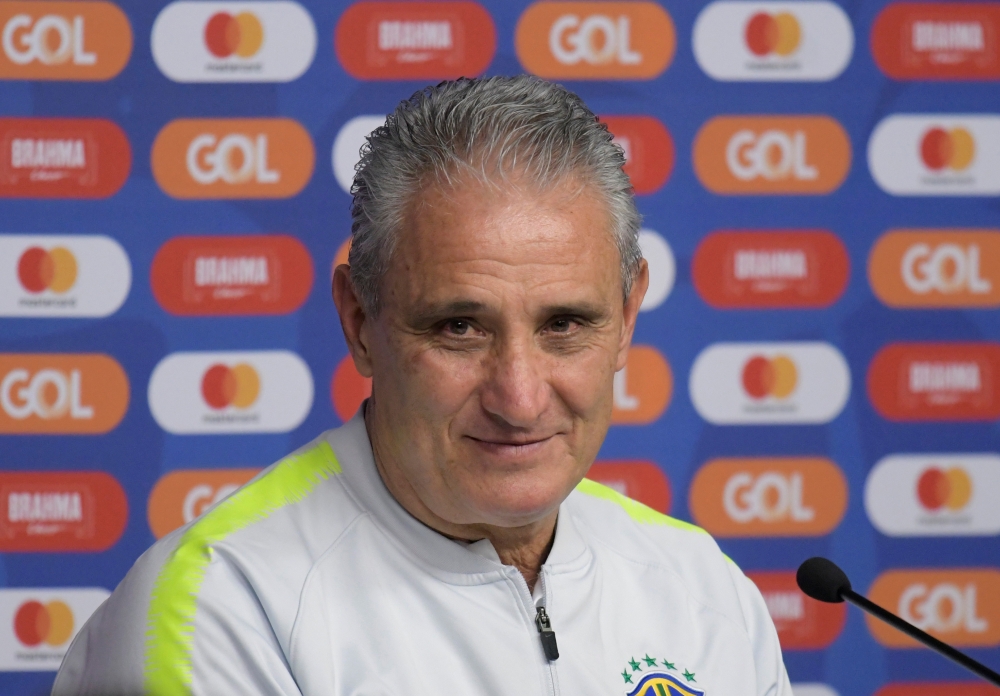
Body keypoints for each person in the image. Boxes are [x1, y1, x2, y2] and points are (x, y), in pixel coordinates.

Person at [53, 75, 791, 696]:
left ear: (628, 317)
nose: (520, 397)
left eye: (564, 324)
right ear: (360, 322)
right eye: (459, 329)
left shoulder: (702, 588)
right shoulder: (221, 606)